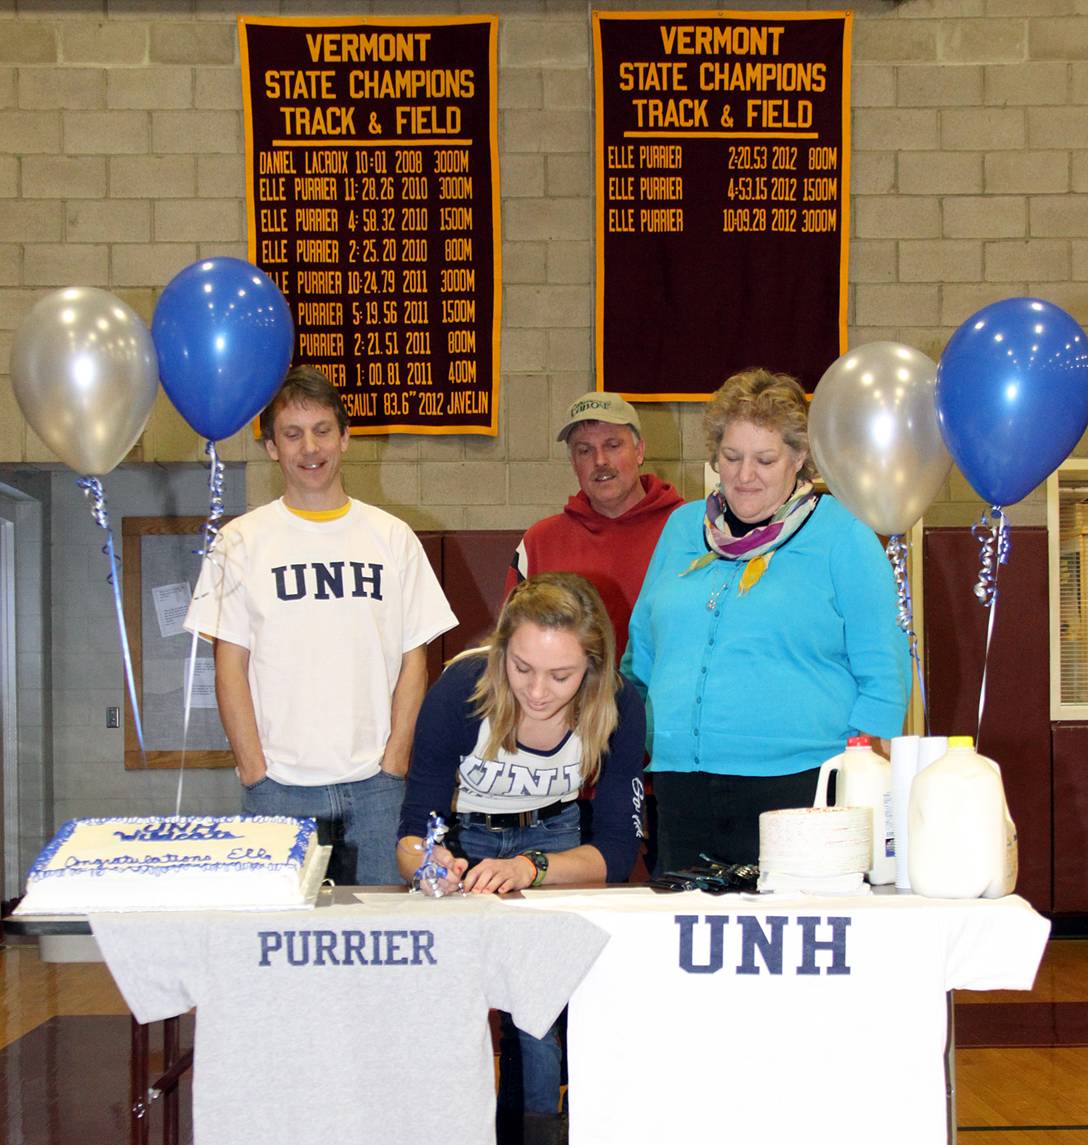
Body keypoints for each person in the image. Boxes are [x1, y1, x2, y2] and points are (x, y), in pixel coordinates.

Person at [622, 368, 910, 872]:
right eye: (731, 458)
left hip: (802, 786)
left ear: (800, 458)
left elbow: (884, 670)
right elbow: (642, 650)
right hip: (678, 781)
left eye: (765, 459)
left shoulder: (843, 535)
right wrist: (635, 735)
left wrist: (858, 770)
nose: (743, 475)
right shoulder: (682, 527)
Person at [397, 572, 646, 1144]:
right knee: (444, 1004)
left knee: (538, 1015)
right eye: (522, 669)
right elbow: (414, 831)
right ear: (502, 652)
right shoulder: (461, 687)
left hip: (555, 839)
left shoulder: (620, 704)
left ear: (592, 669)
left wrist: (528, 869)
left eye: (561, 676)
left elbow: (614, 851)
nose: (537, 692)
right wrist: (431, 869)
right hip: (463, 837)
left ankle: (540, 1129)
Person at [185, 366, 457, 886]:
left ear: (345, 437)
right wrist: (252, 767)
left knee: (381, 941)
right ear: (270, 447)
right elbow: (230, 665)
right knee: (282, 946)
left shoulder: (392, 537)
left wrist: (396, 757)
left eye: (322, 430)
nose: (310, 447)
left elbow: (414, 658)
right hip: (279, 787)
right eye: (292, 434)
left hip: (377, 786)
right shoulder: (239, 542)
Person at [504, 392, 683, 658]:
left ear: (639, 451)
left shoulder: (689, 530)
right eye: (585, 450)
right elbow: (511, 641)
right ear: (574, 463)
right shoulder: (540, 542)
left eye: (613, 445)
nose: (600, 461)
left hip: (661, 698)